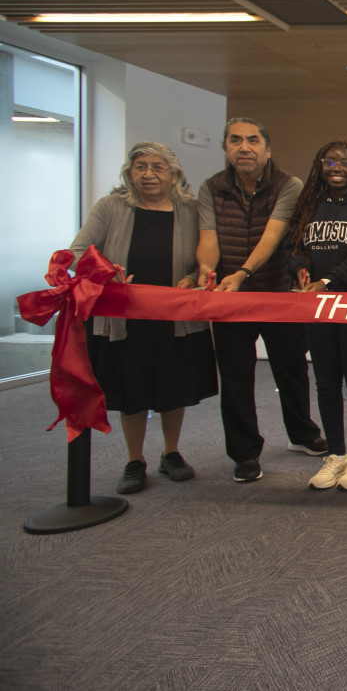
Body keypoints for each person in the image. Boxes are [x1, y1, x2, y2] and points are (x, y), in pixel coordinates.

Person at [70, 142, 216, 494]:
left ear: (174, 174)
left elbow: (207, 256)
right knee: (130, 389)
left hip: (175, 317)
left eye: (157, 167)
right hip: (125, 319)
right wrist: (105, 271)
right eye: (140, 167)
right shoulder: (111, 207)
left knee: (174, 387)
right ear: (129, 172)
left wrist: (195, 275)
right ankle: (134, 460)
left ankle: (171, 453)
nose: (148, 174)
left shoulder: (191, 209)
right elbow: (77, 253)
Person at [197, 118, 324, 483]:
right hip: (229, 301)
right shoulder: (211, 188)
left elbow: (274, 236)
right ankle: (244, 452)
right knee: (236, 377)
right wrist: (208, 269)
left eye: (253, 141)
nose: (244, 147)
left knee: (292, 369)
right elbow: (208, 237)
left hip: (276, 294)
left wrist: (242, 274)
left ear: (267, 149)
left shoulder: (289, 185)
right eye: (235, 141)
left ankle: (302, 434)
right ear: (225, 148)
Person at [288, 141, 347, 492]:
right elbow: (294, 247)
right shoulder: (308, 206)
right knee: (326, 381)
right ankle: (337, 454)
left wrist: (327, 281)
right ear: (320, 166)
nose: (337, 167)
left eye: (345, 162)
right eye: (330, 162)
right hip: (316, 306)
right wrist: (299, 269)